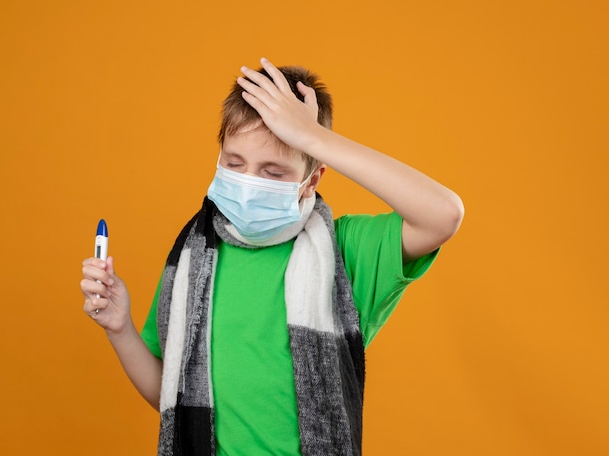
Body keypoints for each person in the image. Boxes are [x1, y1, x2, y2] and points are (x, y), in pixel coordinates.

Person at [80, 57, 464, 456]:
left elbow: (442, 215)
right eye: (234, 163)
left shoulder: (345, 252)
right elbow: (172, 394)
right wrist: (119, 327)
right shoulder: (194, 258)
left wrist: (313, 138)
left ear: (312, 178)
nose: (247, 184)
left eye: (274, 172)